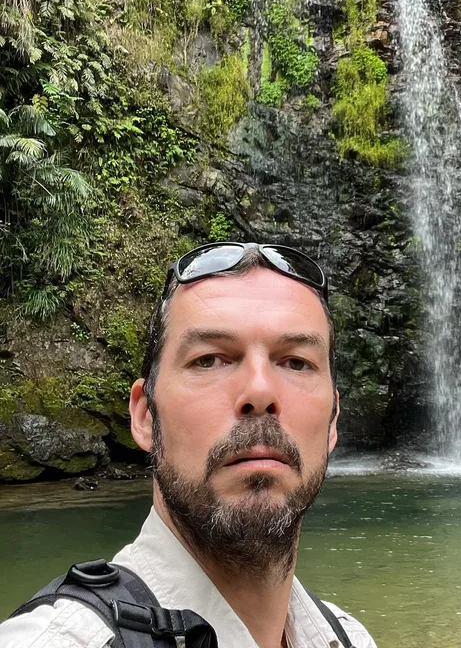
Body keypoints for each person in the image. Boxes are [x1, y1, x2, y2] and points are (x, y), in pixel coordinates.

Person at [0, 242, 377, 648]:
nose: (261, 390)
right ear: (145, 416)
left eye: (296, 362)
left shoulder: (348, 636)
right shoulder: (56, 640)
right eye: (210, 360)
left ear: (333, 420)